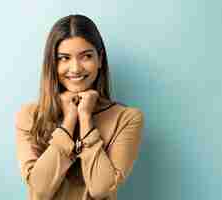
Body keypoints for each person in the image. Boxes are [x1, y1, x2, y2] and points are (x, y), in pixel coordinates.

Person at [14, 14, 144, 200]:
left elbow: (101, 189)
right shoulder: (30, 116)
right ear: (52, 63)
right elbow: (40, 190)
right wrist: (69, 119)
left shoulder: (127, 118)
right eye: (64, 58)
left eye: (86, 57)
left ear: (100, 60)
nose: (75, 68)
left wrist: (85, 117)